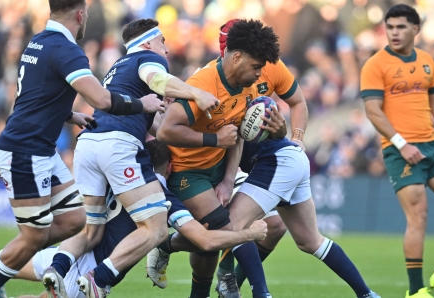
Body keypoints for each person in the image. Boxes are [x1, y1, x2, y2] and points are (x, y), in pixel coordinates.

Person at [0, 0, 166, 297]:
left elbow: (35, 96)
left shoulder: (38, 42)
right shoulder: (68, 50)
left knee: (75, 220)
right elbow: (101, 99)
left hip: (41, 149)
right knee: (33, 238)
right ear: (80, 14)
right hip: (25, 152)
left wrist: (69, 114)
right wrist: (143, 104)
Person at [41, 18, 219, 298]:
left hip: (88, 144)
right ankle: (99, 280)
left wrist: (170, 111)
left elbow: (157, 130)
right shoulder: (148, 58)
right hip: (117, 144)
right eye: (163, 42)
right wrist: (196, 92)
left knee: (91, 231)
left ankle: (57, 268)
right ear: (147, 43)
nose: (167, 49)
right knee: (156, 229)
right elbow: (157, 78)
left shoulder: (117, 68)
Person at [0, 140, 268, 298]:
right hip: (91, 272)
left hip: (72, 250)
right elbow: (204, 241)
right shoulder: (161, 198)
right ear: (170, 169)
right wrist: (249, 233)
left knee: (1, 263)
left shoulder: (119, 178)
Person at [360, 4, 434, 298]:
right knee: (419, 216)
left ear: (416, 29)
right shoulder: (375, 65)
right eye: (390, 27)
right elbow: (373, 112)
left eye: (401, 27)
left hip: (432, 147)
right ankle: (415, 291)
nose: (394, 33)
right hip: (399, 149)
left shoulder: (427, 61)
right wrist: (402, 144)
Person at [157, 19, 280, 298]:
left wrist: (227, 180)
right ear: (236, 57)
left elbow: (235, 136)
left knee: (208, 244)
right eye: (256, 67)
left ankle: (165, 245)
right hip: (187, 171)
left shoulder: (248, 88)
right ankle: (258, 292)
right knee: (226, 230)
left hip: (217, 168)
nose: (259, 75)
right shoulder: (203, 84)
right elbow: (166, 130)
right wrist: (214, 140)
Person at [211, 19, 308, 297]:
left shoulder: (271, 66)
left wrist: (295, 138)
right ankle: (233, 280)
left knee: (275, 227)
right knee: (222, 231)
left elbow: (298, 102)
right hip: (224, 156)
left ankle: (230, 279)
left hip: (256, 157)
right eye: (223, 52)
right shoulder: (211, 76)